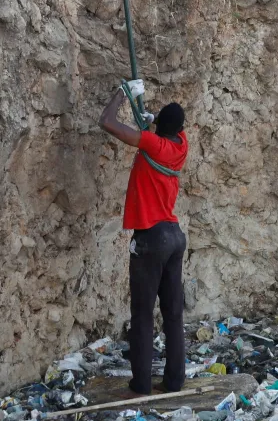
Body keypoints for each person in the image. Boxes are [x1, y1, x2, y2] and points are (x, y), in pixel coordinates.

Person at [99, 80, 189, 395]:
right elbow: (167, 127)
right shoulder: (180, 144)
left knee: (142, 315)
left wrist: (122, 92)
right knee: (173, 315)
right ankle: (175, 381)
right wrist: (151, 118)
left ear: (159, 128)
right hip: (174, 236)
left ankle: (141, 385)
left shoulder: (153, 144)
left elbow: (107, 122)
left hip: (151, 238)